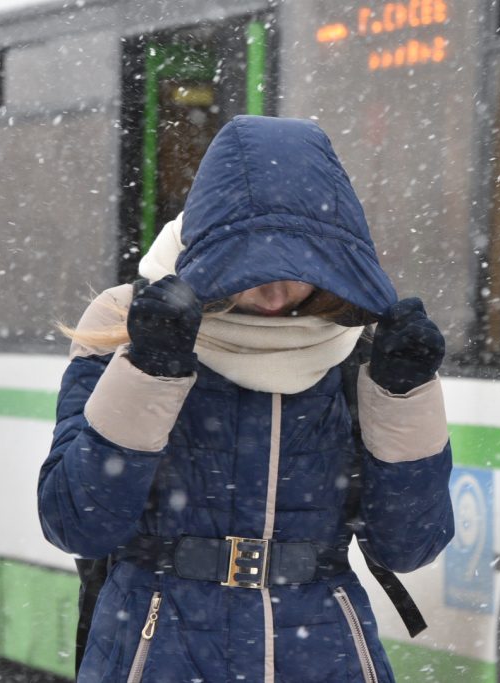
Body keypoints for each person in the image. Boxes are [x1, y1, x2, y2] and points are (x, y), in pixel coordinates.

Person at [37, 115, 455, 682]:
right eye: (253, 264)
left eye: (299, 268)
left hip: (322, 653)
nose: (274, 292)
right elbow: (75, 522)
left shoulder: (360, 347)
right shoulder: (128, 320)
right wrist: (150, 369)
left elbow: (410, 545)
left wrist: (405, 394)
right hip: (155, 648)